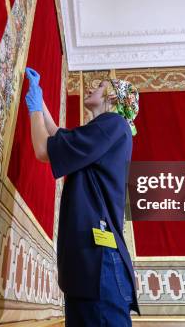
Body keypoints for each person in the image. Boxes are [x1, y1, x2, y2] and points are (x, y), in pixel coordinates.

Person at [24, 67, 140, 326]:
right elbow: (58, 136)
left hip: (99, 266)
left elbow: (43, 149)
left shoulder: (113, 125)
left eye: (98, 86)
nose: (90, 88)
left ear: (112, 96)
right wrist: (40, 98)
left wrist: (33, 108)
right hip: (93, 266)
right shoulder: (105, 133)